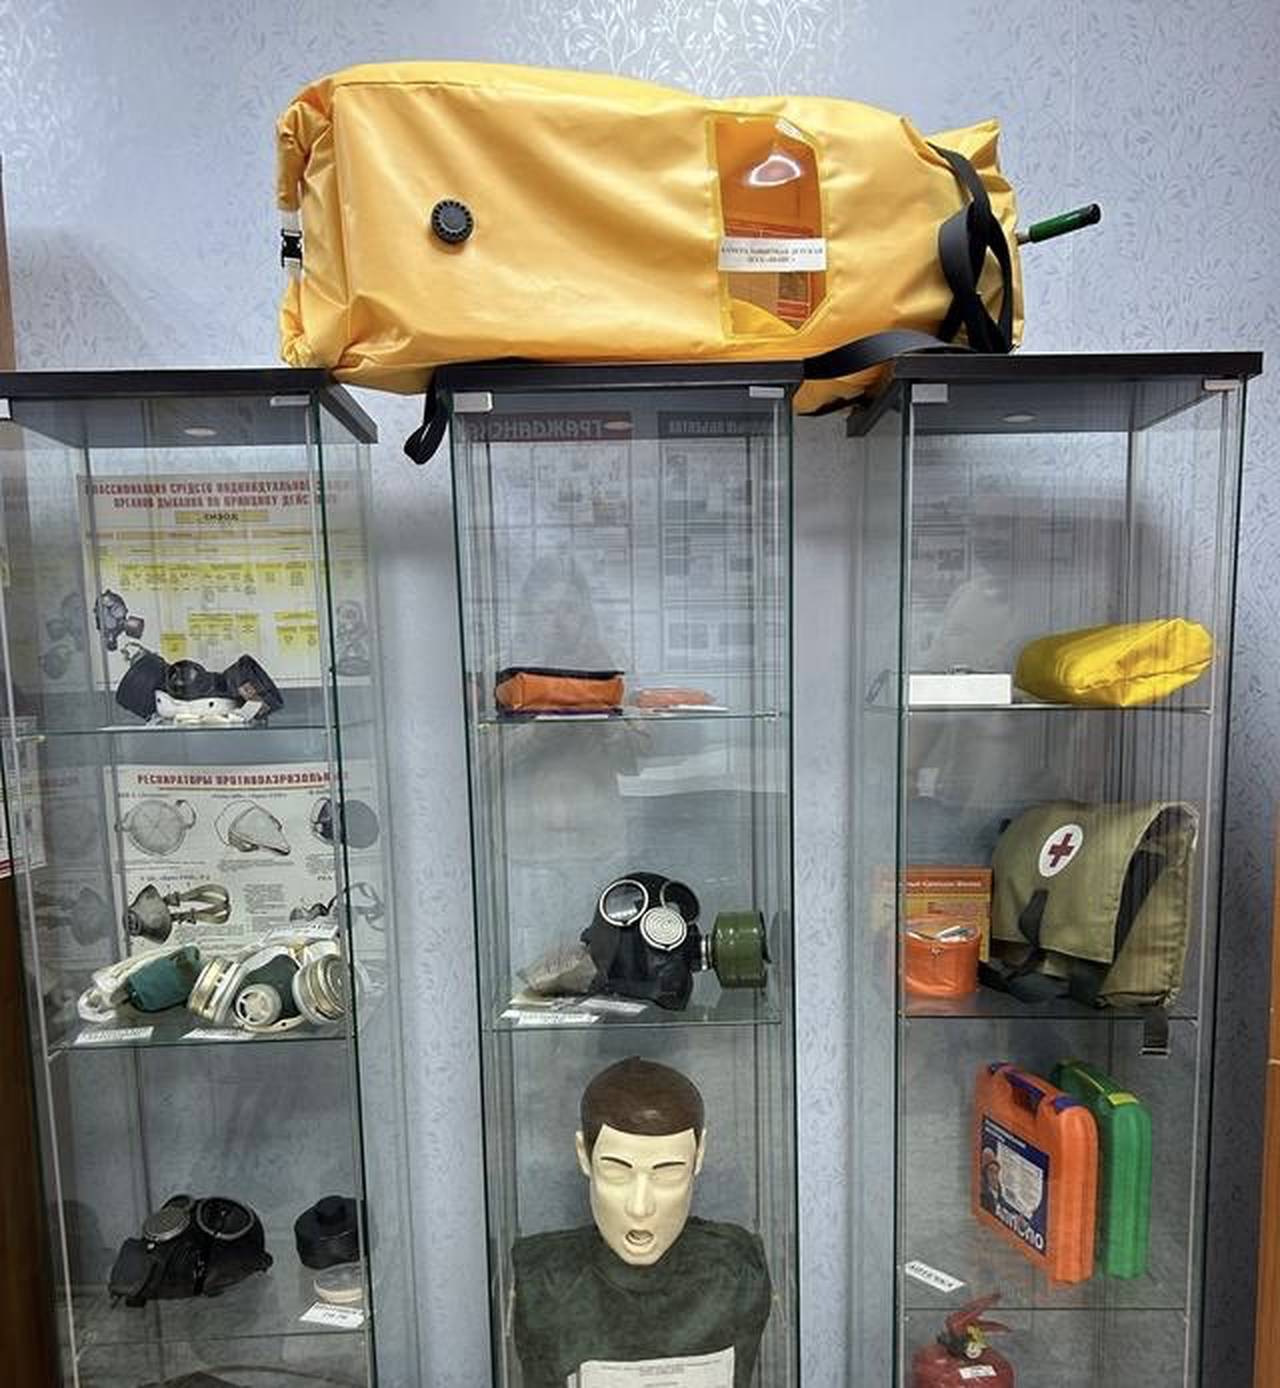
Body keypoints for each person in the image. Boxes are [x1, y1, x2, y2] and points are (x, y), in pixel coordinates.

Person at [513, 1057, 771, 1387]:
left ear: (699, 1155)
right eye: (617, 1171)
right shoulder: (543, 1284)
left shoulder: (738, 1274)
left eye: (668, 1172)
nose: (640, 1207)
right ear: (583, 1155)